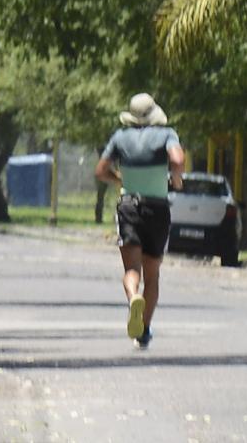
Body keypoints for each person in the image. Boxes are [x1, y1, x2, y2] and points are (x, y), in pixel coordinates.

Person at [95, 93, 186, 349]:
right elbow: (178, 160)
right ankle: (143, 330)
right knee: (153, 275)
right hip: (157, 209)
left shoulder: (119, 138)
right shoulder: (167, 134)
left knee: (131, 270)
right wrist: (176, 178)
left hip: (129, 207)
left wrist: (119, 179)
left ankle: (134, 296)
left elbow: (101, 170)